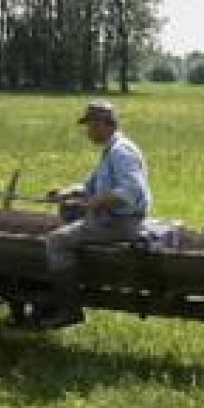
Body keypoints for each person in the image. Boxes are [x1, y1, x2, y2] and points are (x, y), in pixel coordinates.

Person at [41, 99, 152, 327]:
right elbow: (89, 186)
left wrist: (96, 203)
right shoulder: (110, 150)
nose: (88, 131)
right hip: (112, 219)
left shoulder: (121, 152)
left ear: (104, 124)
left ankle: (70, 310)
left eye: (90, 126)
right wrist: (65, 193)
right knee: (68, 211)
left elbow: (131, 191)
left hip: (120, 223)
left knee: (55, 241)